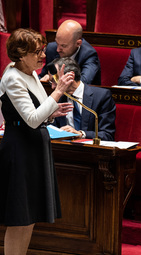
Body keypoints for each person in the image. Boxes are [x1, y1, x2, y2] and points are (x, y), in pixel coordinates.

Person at [0, 28, 74, 254]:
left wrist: (53, 111)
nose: (43, 56)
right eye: (37, 52)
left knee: (30, 216)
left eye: (42, 51)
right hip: (20, 149)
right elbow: (32, 119)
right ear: (20, 54)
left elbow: (38, 112)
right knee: (19, 217)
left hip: (35, 147)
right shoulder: (12, 77)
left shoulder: (30, 72)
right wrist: (58, 92)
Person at [50, 57, 116, 141]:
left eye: (55, 81)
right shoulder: (57, 98)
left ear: (70, 77)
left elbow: (107, 134)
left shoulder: (101, 96)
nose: (53, 87)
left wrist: (81, 134)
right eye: (50, 82)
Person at [39, 19, 101, 85]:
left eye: (63, 46)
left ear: (78, 43)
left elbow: (83, 83)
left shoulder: (89, 55)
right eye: (57, 43)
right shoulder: (51, 49)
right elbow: (42, 75)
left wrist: (55, 79)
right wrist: (42, 80)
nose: (58, 49)